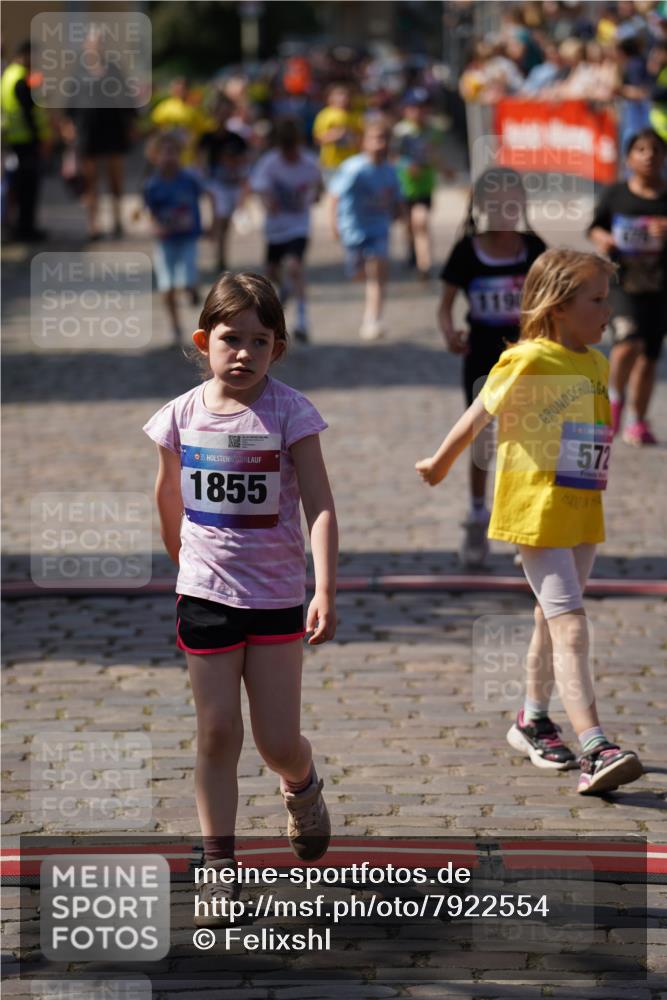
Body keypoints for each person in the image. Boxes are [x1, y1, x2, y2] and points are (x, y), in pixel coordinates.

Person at [143, 272, 338, 923]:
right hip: (204, 593)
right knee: (216, 731)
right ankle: (218, 864)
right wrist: (183, 561)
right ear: (204, 341)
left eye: (260, 341)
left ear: (277, 349)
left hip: (278, 597)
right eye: (231, 338)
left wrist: (324, 588)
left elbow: (319, 506)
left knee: (276, 739)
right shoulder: (180, 414)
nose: (244, 353)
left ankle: (301, 783)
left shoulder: (291, 413)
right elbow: (167, 495)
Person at [416, 248, 643, 796]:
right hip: (535, 512)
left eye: (606, 299)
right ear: (559, 305)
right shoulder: (527, 358)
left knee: (549, 618)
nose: (606, 311)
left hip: (582, 509)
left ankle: (532, 718)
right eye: (595, 300)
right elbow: (479, 414)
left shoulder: (593, 361)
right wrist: (441, 462)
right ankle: (595, 746)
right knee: (570, 623)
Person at [438, 167, 546, 567]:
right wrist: (450, 333)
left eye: (512, 203)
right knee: (482, 440)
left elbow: (554, 298)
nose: (506, 210)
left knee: (525, 442)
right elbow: (445, 306)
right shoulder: (467, 251)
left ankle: (523, 528)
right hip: (483, 358)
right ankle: (477, 515)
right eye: (496, 204)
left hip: (531, 361)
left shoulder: (534, 248)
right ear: (481, 207)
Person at [588, 127, 667, 445]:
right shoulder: (615, 194)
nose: (649, 156)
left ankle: (639, 421)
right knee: (626, 343)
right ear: (629, 158)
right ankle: (615, 402)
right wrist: (603, 239)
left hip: (660, 286)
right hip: (623, 283)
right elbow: (594, 227)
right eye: (641, 150)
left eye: (656, 151)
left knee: (648, 358)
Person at [329, 119, 403, 340]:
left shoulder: (390, 171)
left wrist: (399, 213)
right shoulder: (354, 168)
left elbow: (396, 198)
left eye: (384, 139)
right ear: (364, 142)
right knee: (358, 274)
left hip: (379, 228)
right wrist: (334, 224)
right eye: (375, 138)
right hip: (353, 229)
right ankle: (362, 281)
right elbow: (335, 196)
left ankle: (372, 320)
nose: (380, 144)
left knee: (377, 273)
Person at [250, 117, 323, 343]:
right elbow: (258, 187)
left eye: (293, 148)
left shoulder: (309, 162)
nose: (290, 154)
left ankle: (302, 320)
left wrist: (314, 195)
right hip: (275, 228)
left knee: (294, 266)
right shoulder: (270, 163)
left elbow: (320, 186)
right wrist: (267, 201)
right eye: (286, 148)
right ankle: (286, 291)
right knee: (271, 273)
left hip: (298, 225)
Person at [144, 131, 207, 343]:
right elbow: (149, 212)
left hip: (188, 238)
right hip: (166, 241)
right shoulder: (153, 185)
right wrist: (155, 227)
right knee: (167, 286)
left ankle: (192, 288)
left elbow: (208, 194)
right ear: (155, 156)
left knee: (187, 280)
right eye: (164, 153)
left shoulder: (189, 179)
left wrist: (212, 225)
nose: (169, 158)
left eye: (173, 153)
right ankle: (175, 327)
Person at [392, 87, 451, 280]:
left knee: (421, 221)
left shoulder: (433, 131)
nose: (420, 112)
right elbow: (393, 157)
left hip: (425, 186)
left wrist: (445, 169)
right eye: (415, 107)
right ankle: (413, 252)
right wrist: (406, 165)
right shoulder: (401, 132)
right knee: (409, 225)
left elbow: (435, 154)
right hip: (404, 187)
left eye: (424, 107)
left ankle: (424, 263)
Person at [0, 39, 50, 240]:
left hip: (14, 140)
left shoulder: (8, 76)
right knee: (27, 190)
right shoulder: (21, 79)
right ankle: (26, 229)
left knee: (18, 188)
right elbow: (29, 113)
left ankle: (21, 227)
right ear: (26, 55)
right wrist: (41, 139)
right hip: (26, 142)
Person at [199, 94, 250, 272]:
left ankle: (220, 251)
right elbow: (201, 162)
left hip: (232, 184)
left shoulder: (237, 139)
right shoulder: (206, 138)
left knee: (225, 222)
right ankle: (219, 258)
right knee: (219, 218)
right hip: (216, 184)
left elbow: (245, 162)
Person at [312, 83, 363, 183]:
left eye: (345, 95)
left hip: (351, 162)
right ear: (330, 98)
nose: (342, 98)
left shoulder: (356, 116)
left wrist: (354, 138)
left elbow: (361, 138)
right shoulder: (325, 115)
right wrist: (335, 134)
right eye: (339, 95)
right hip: (331, 163)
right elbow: (318, 139)